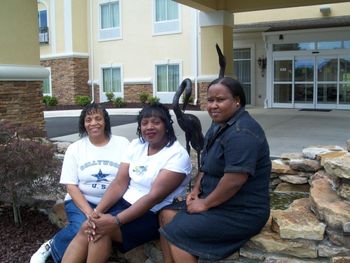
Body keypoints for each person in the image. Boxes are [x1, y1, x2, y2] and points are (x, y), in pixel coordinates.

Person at [61, 102, 192, 263]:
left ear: (166, 125)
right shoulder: (137, 146)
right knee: (89, 226)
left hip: (150, 214)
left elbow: (153, 197)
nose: (149, 127)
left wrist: (115, 221)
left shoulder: (177, 155)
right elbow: (119, 183)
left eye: (156, 122)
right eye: (144, 123)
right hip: (122, 205)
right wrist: (97, 213)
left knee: (99, 230)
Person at [159, 77, 271, 262]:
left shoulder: (242, 133)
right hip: (217, 201)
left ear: (237, 101)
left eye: (220, 100)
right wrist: (195, 190)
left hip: (240, 211)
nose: (213, 105)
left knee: (177, 233)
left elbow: (234, 180)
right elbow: (207, 165)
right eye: (210, 100)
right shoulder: (218, 125)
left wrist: (204, 203)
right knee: (166, 215)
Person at [30, 103, 130, 263]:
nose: (93, 123)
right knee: (82, 226)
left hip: (115, 202)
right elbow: (70, 185)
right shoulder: (75, 148)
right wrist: (90, 212)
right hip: (82, 201)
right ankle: (52, 246)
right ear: (83, 124)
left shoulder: (123, 144)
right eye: (88, 119)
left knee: (103, 228)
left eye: (98, 118)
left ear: (106, 122)